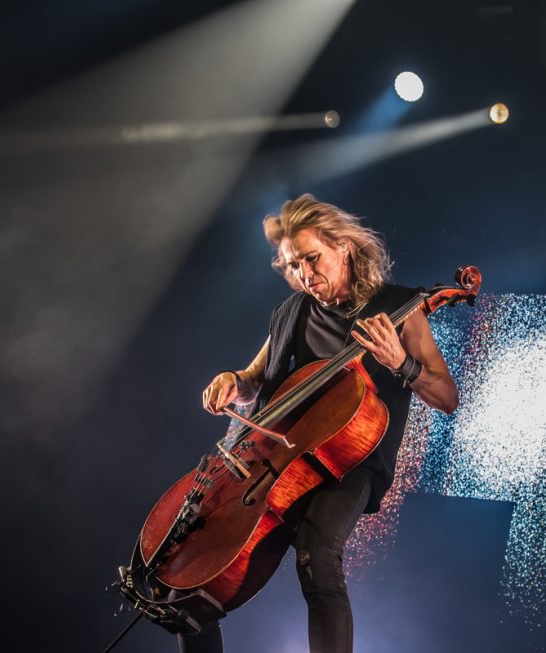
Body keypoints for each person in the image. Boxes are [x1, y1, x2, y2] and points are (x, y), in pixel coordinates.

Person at [184, 194, 459, 653]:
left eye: (312, 259)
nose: (304, 276)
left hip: (352, 462)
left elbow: (447, 396)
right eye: (293, 266)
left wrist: (400, 363)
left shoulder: (400, 307)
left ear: (344, 248)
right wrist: (233, 381)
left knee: (316, 555)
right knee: (199, 579)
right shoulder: (291, 312)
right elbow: (255, 379)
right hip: (282, 458)